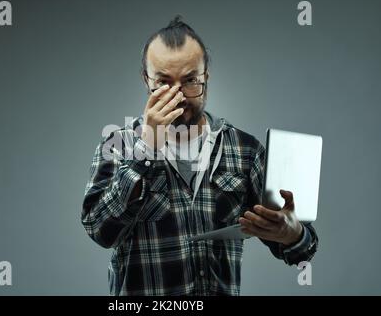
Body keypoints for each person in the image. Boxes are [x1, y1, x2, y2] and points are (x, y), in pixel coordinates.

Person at [82, 16, 318, 296]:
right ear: (146, 80)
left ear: (206, 76)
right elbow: (100, 231)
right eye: (163, 82)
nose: (179, 95)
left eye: (191, 80)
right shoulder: (118, 145)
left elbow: (302, 249)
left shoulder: (245, 150)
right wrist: (145, 149)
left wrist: (292, 234)